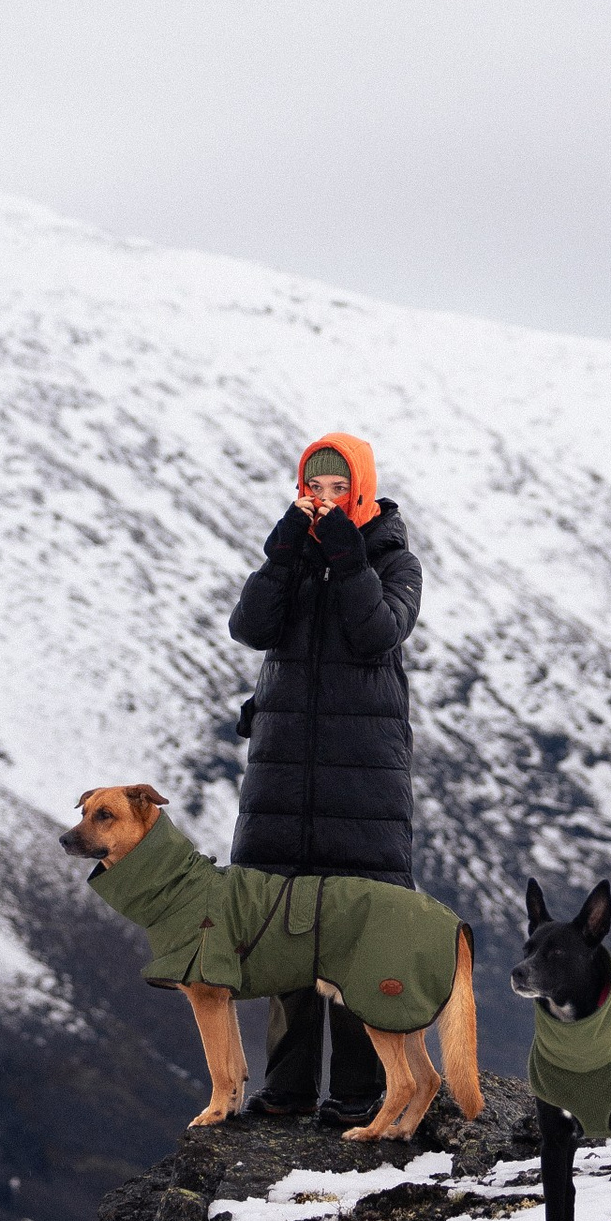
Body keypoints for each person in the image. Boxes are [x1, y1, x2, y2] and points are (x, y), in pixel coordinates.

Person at [226, 431, 421, 1123]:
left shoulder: (395, 562)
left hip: (361, 783)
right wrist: (285, 552)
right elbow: (250, 627)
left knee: (355, 934)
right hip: (285, 778)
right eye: (316, 488)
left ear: (362, 491)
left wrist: (346, 554)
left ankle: (361, 1092)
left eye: (341, 489)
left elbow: (376, 632)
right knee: (285, 928)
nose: (328, 499)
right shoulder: (295, 558)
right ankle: (287, 1090)